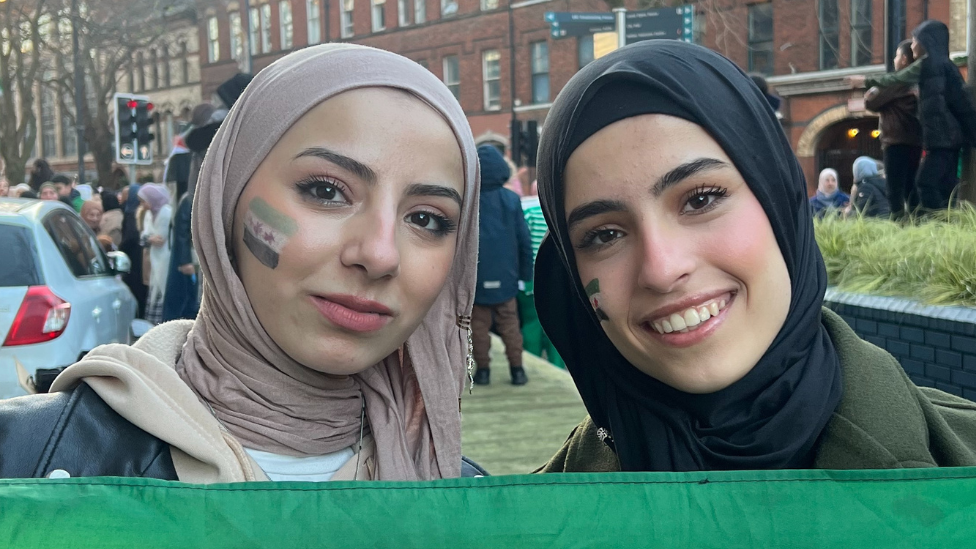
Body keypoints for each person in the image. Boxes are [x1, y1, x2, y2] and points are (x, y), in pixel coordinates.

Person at [0, 44, 481, 483]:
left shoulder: (467, 496)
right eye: (325, 190)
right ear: (226, 199)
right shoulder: (25, 460)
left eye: (427, 219)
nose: (379, 254)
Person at [533, 40, 976, 474]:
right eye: (604, 234)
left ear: (779, 201)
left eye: (701, 199)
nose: (663, 269)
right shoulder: (534, 519)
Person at [847, 21, 976, 211]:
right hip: (941, 138)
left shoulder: (929, 65)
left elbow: (894, 80)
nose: (913, 45)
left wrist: (865, 81)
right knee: (942, 183)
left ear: (927, 42)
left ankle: (937, 223)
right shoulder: (941, 67)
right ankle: (945, 222)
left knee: (924, 183)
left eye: (916, 40)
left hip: (942, 139)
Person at [471, 144, 533, 386]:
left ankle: (483, 371)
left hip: (477, 276)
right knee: (510, 325)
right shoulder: (511, 200)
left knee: (478, 328)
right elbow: (523, 239)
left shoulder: (469, 202)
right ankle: (517, 370)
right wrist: (525, 273)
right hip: (507, 276)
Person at [864, 40, 923, 219]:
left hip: (895, 141)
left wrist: (871, 93)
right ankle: (917, 223)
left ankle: (898, 223)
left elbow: (871, 102)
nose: (894, 60)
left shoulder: (896, 83)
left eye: (897, 55)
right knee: (911, 186)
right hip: (915, 141)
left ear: (904, 59)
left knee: (894, 188)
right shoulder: (916, 83)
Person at [517, 188, 564, 368]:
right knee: (558, 324)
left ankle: (532, 364)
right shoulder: (560, 210)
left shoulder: (527, 211)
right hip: (558, 278)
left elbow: (522, 244)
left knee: (531, 323)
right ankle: (558, 367)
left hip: (531, 277)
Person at [138, 184, 172, 324]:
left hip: (165, 259)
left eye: (144, 201)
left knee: (162, 289)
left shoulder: (166, 212)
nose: (142, 204)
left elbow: (161, 239)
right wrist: (149, 238)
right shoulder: (148, 214)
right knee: (154, 290)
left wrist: (149, 238)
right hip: (154, 260)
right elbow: (145, 237)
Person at [119, 184, 148, 317]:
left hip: (134, 259)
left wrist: (121, 248)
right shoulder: (143, 212)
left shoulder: (131, 213)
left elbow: (130, 237)